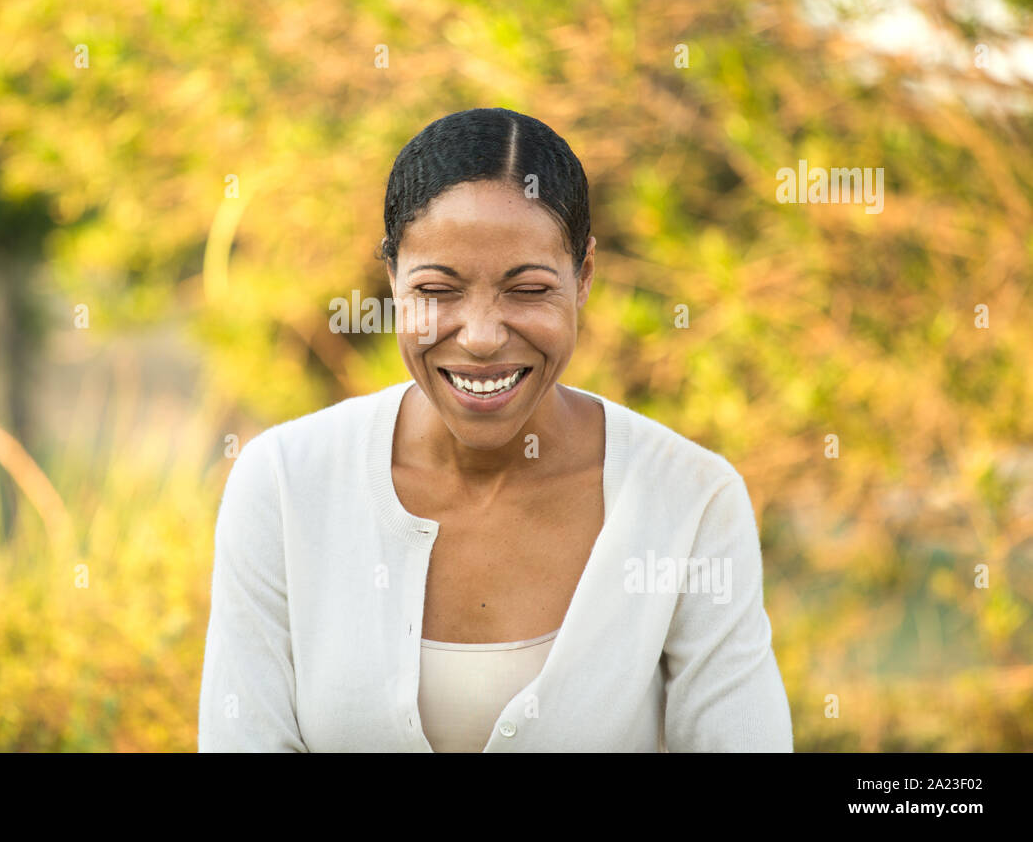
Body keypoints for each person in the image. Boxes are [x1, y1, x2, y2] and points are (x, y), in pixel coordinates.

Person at [198, 107, 793, 751]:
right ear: (392, 277)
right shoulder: (285, 483)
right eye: (437, 289)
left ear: (584, 276)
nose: (480, 337)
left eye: (528, 289)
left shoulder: (691, 501)